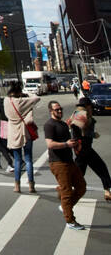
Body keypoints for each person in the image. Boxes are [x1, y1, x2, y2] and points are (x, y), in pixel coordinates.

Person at [45, 98, 87, 230]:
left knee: (81, 187)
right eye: (56, 109)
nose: (59, 111)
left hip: (69, 161)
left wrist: (73, 143)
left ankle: (64, 205)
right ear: (51, 111)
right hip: (58, 163)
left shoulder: (62, 124)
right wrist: (66, 144)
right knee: (67, 192)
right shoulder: (49, 125)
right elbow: (50, 144)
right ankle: (70, 220)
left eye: (60, 109)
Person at [69, 97, 111, 202]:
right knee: (101, 169)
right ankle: (66, 191)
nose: (91, 108)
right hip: (84, 149)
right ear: (88, 106)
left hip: (82, 150)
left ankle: (68, 191)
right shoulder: (82, 115)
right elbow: (83, 132)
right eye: (90, 106)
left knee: (79, 174)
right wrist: (94, 134)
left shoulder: (76, 114)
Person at [4, 81, 37, 194]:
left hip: (13, 133)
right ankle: (31, 185)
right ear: (19, 92)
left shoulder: (6, 101)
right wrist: (28, 94)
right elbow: (36, 98)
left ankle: (17, 185)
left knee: (17, 160)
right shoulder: (22, 102)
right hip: (25, 132)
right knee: (28, 160)